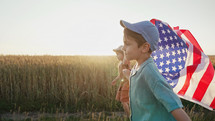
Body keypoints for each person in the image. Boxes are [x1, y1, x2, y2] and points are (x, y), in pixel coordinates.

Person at [120, 20, 191, 121]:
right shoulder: (138, 66)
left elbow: (173, 104)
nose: (123, 48)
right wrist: (129, 75)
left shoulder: (149, 72)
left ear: (144, 47)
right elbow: (140, 83)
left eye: (127, 44)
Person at [112, 45, 131, 117]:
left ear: (123, 54)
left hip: (127, 83)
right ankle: (130, 115)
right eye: (116, 55)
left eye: (118, 54)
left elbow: (125, 60)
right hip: (123, 83)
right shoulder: (120, 63)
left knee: (124, 100)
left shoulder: (125, 62)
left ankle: (130, 116)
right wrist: (115, 80)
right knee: (125, 100)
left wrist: (124, 50)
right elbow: (120, 75)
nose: (117, 56)